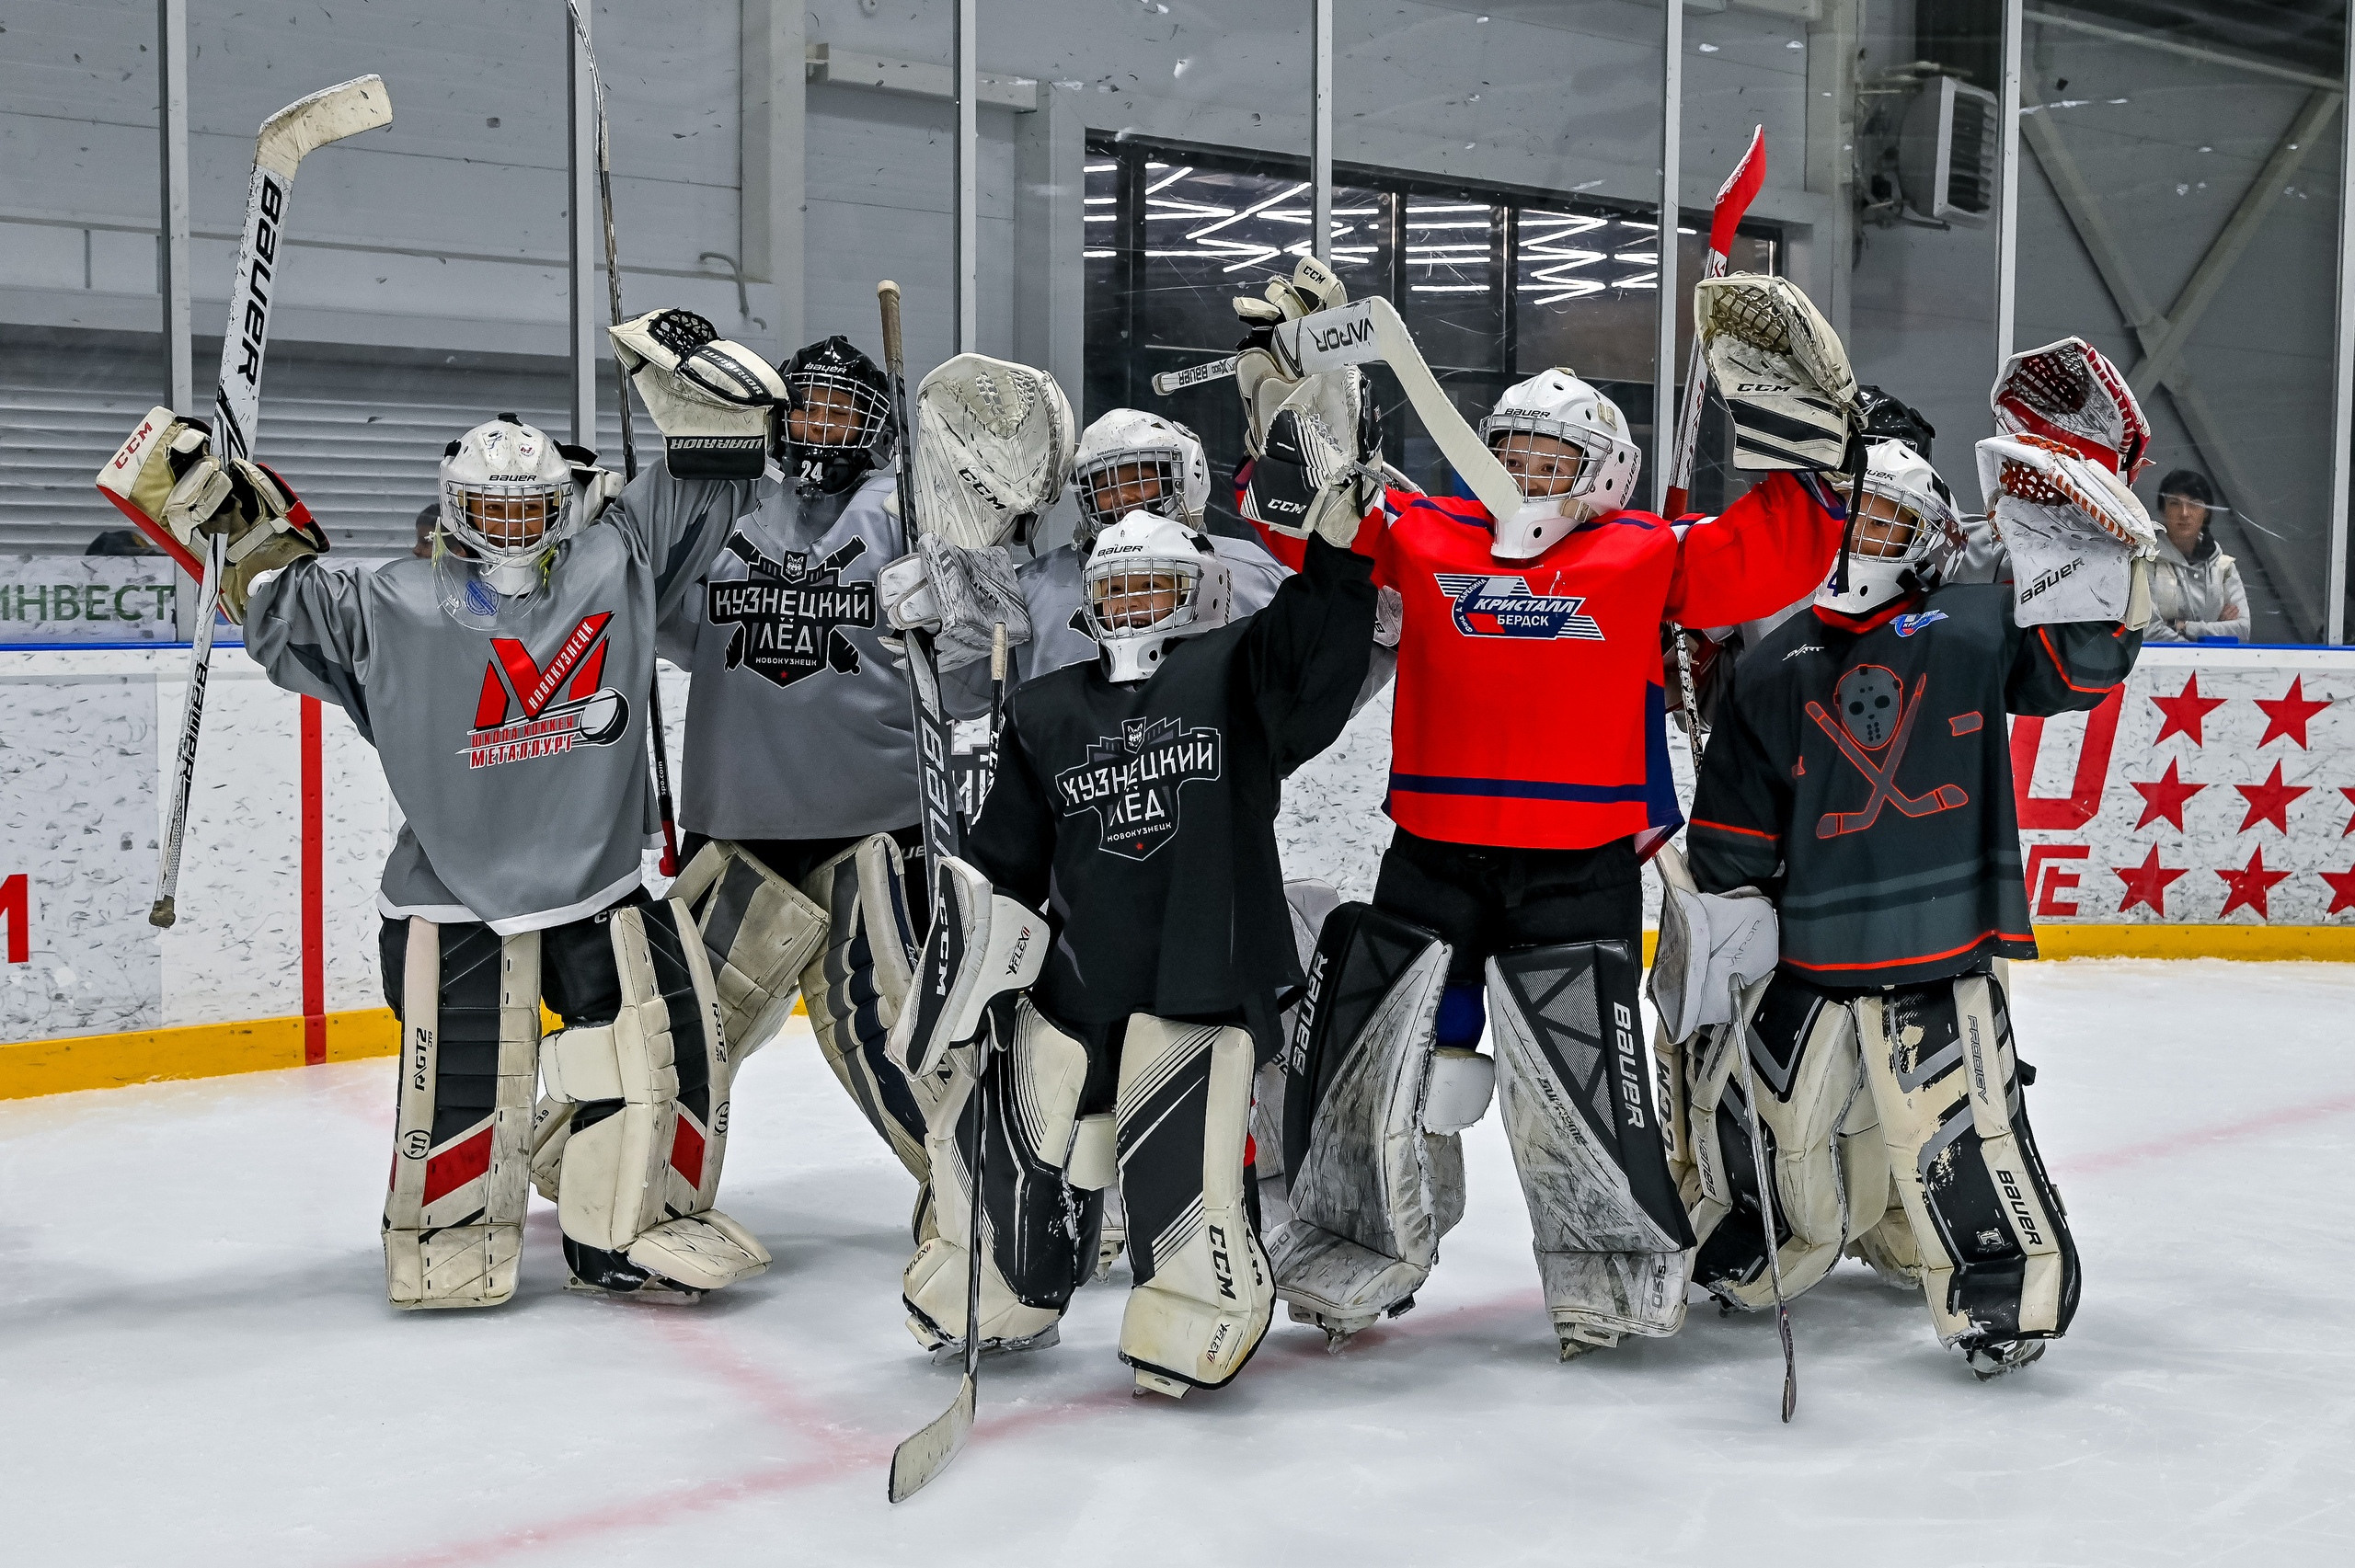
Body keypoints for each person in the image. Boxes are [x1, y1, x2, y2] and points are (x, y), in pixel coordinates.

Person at [105, 308, 787, 1308]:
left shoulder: (616, 560)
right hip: (449, 897)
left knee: (652, 1053)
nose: (513, 528)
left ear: (565, 503)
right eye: (490, 510)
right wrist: (209, 503)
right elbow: (273, 595)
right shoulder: (390, 602)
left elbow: (723, 464)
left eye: (532, 508)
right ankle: (452, 1229)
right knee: (469, 1079)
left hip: (599, 882)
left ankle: (618, 1229)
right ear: (452, 507)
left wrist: (689, 378)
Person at [1243, 266, 1858, 1361]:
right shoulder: (1424, 531)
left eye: (1551, 460)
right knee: (1381, 1070)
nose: (1525, 476)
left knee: (1585, 1085)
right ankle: (1357, 1237)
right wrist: (1290, 402)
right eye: (1512, 453)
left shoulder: (1642, 552)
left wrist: (1815, 454)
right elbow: (1307, 528)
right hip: (1430, 861)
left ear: (1604, 472)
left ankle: (1608, 1265)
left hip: (1578, 870)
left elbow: (1766, 554)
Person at [1668, 346, 2153, 1379]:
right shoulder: (1770, 663)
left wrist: (2089, 538)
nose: (1858, 541)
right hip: (1812, 948)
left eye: (1885, 524)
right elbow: (1736, 833)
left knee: (1960, 1127)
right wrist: (1720, 917)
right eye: (1848, 519)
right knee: (1771, 1117)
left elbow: (2083, 662)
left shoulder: (1973, 624)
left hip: (1939, 948)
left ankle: (1996, 1291)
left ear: (1929, 540)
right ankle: (1768, 1238)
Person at [880, 454, 1378, 1398]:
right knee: (1011, 1125)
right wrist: (972, 963)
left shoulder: (1238, 674)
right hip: (1078, 980)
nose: (1133, 604)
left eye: (1153, 585)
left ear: (1198, 592)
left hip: (1200, 975)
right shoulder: (1043, 708)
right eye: (1115, 588)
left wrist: (1339, 558)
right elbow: (1003, 860)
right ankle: (1000, 1280)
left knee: (1179, 1154)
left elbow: (1315, 646)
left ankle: (1193, 1299)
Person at [2143, 467, 2247, 643]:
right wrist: (2214, 631)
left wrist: (2182, 626)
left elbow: (2242, 630)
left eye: (2194, 504)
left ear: (2206, 512)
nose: (2184, 513)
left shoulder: (2224, 567)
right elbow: (2147, 630)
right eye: (2175, 503)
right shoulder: (2146, 561)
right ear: (2162, 510)